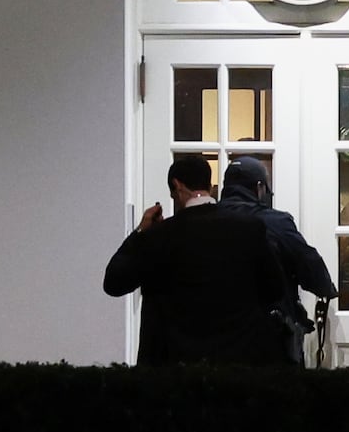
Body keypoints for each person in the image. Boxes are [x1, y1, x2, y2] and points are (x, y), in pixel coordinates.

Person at [103, 152, 291, 367]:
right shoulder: (249, 229)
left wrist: (140, 231)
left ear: (177, 186)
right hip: (238, 361)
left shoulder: (159, 236)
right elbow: (275, 289)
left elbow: (114, 282)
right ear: (209, 185)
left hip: (175, 365)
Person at [221, 156, 340, 365]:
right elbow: (308, 263)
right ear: (259, 187)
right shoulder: (274, 221)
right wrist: (325, 288)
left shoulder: (206, 219)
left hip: (217, 334)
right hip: (267, 335)